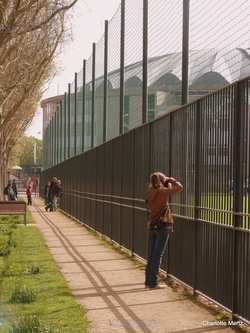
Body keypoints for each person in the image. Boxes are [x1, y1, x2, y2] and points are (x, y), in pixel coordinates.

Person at [145, 172, 183, 290]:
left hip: (152, 225)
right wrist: (172, 180)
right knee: (158, 255)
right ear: (162, 181)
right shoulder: (162, 191)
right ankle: (153, 283)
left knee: (151, 255)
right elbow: (180, 187)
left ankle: (148, 281)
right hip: (163, 225)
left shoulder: (149, 192)